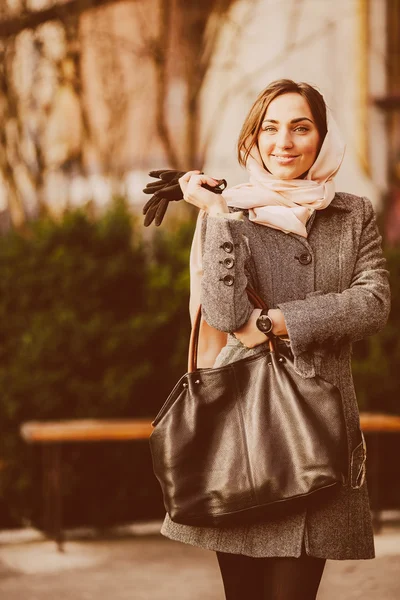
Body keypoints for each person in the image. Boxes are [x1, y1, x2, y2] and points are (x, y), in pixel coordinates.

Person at [160, 79, 391, 600]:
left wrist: (275, 322)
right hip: (243, 437)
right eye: (270, 128)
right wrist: (217, 215)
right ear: (253, 138)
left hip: (320, 437)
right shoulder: (227, 214)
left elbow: (373, 303)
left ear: (322, 137)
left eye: (300, 127)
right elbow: (222, 313)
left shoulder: (352, 213)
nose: (283, 141)